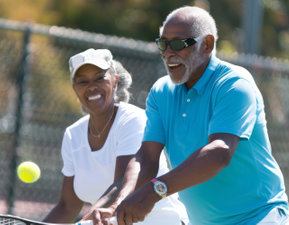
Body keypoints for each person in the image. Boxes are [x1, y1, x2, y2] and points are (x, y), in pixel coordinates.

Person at [89, 6, 289, 225]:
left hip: (259, 217)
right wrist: (116, 203)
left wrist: (156, 190)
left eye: (177, 44)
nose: (168, 52)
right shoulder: (161, 92)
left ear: (207, 44)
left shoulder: (234, 85)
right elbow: (146, 158)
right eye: (163, 44)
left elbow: (220, 152)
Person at [42, 48, 189, 225]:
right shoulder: (73, 135)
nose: (92, 86)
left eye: (99, 78)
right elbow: (67, 206)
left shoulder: (133, 120)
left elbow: (123, 181)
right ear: (75, 89)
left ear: (115, 81)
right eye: (83, 81)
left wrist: (92, 215)